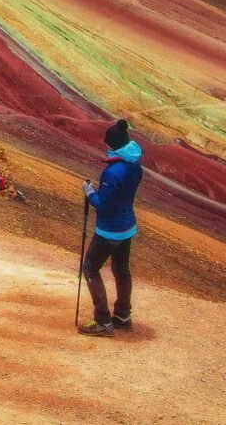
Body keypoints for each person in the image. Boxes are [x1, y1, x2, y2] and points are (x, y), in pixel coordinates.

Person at [79, 120, 144, 337]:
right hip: (127, 227)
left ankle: (103, 322)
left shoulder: (113, 173)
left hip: (109, 230)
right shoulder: (135, 166)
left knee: (90, 269)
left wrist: (89, 192)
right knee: (121, 270)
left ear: (113, 146)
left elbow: (103, 205)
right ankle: (123, 316)